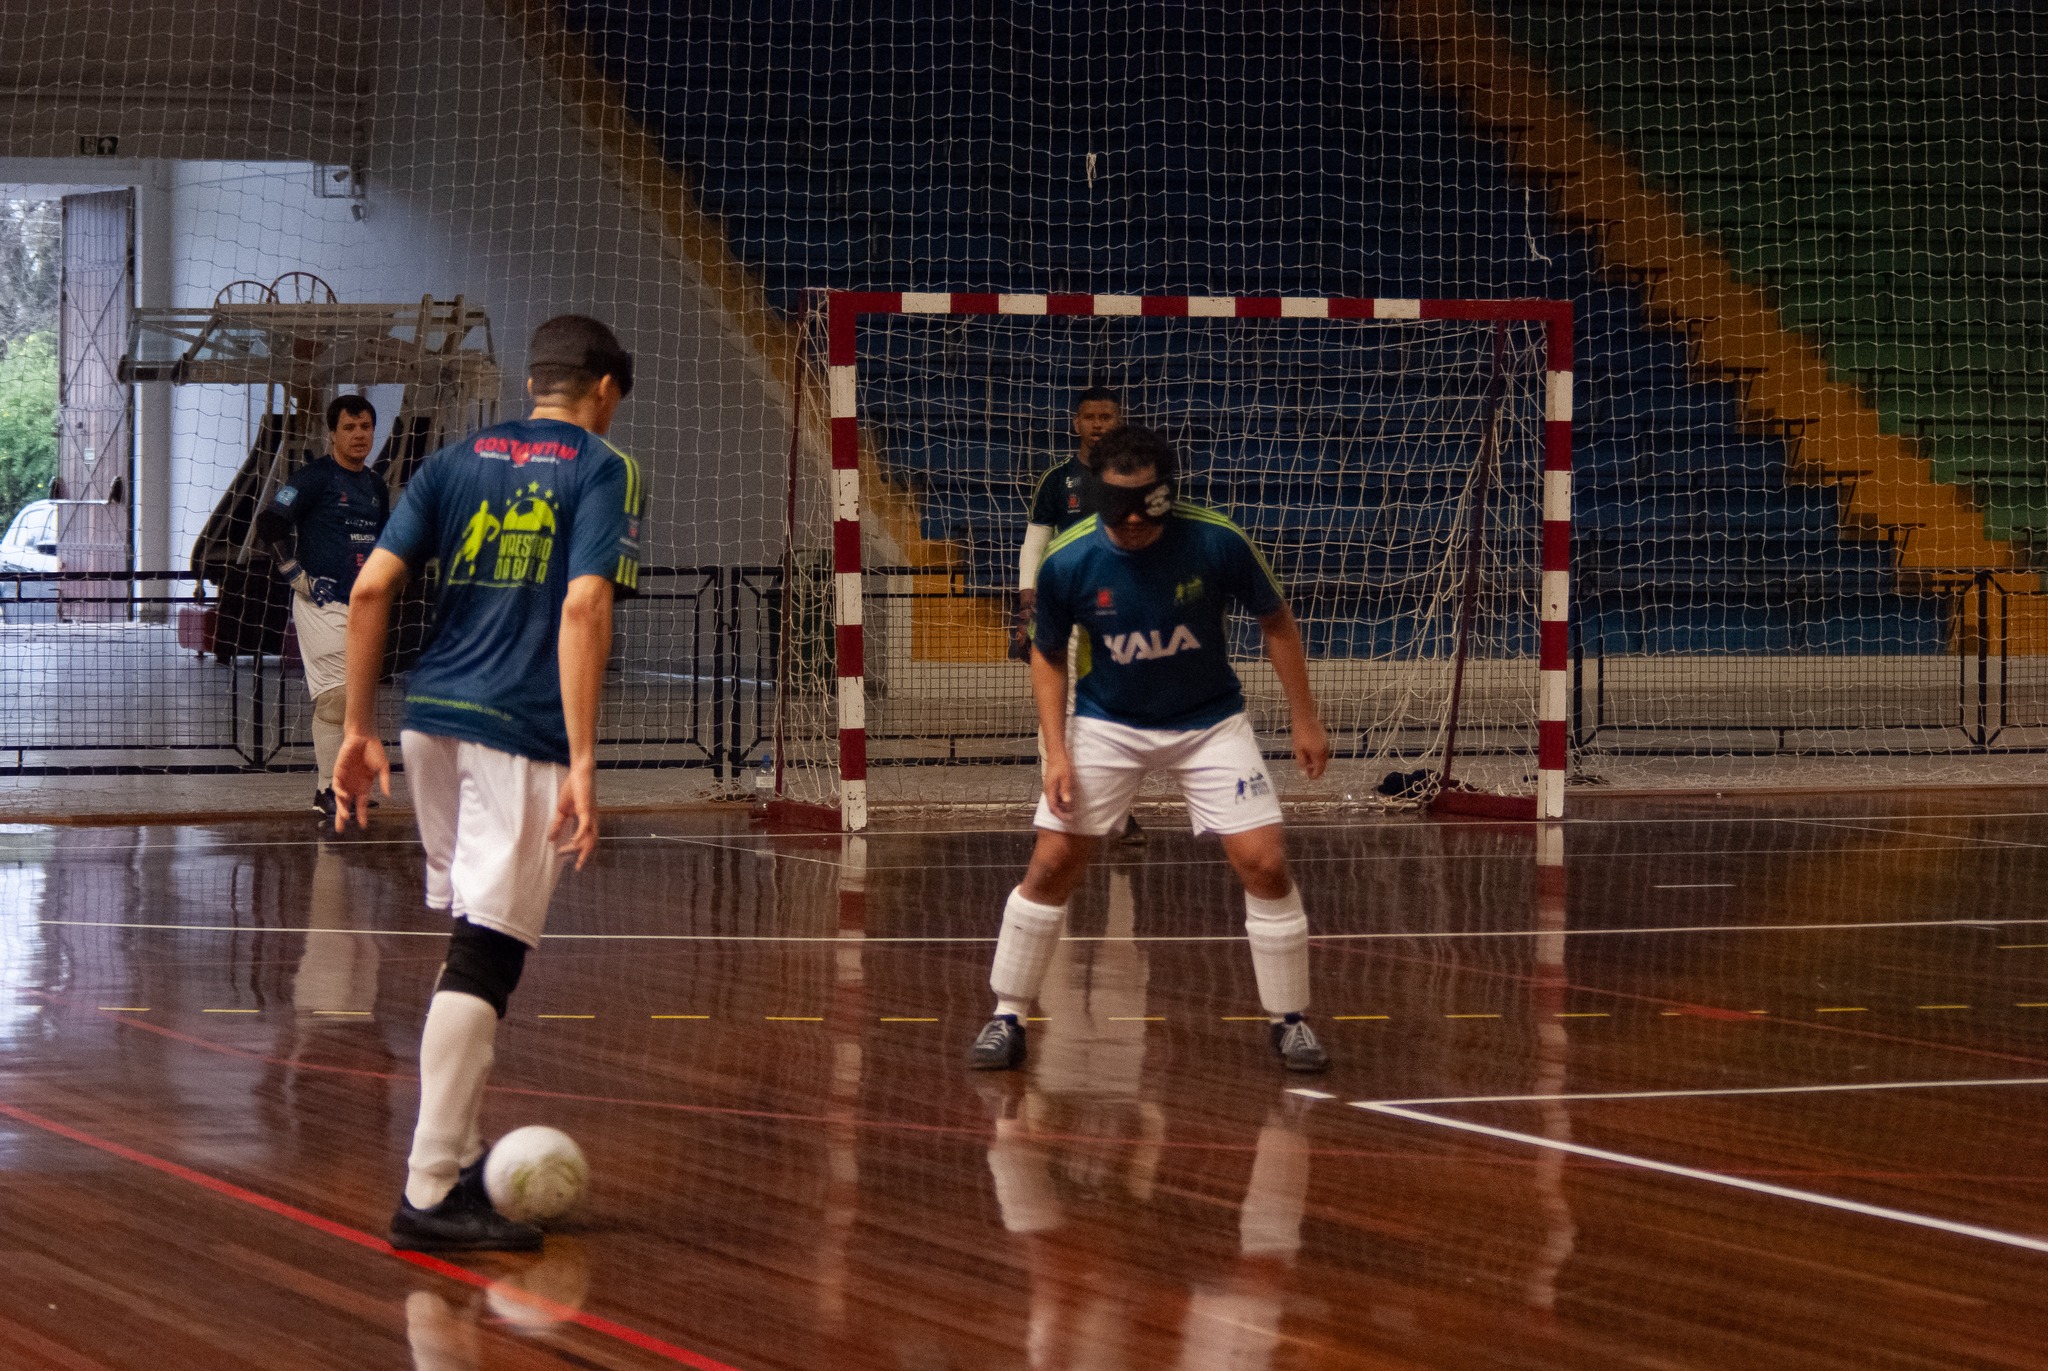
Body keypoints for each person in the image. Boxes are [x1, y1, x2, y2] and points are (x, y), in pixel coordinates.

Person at [332, 314, 644, 1251]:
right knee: (487, 957)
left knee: (469, 942)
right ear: (607, 391)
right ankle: (428, 1193)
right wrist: (585, 761)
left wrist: (356, 728)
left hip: (430, 724)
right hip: (520, 732)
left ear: (533, 381)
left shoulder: (453, 461)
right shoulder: (602, 467)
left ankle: (458, 1154)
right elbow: (586, 601)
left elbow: (369, 590)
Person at [970, 424, 1332, 1074]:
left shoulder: (1216, 539)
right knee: (1053, 862)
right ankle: (1008, 1014)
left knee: (1266, 861)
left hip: (1209, 721)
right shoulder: (1069, 561)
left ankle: (1290, 1019)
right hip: (1109, 724)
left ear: (1165, 496)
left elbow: (1275, 618)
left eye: (1147, 514)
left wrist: (1305, 717)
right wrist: (1056, 750)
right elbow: (1048, 655)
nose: (1135, 527)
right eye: (1123, 517)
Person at [1013, 386, 1145, 845]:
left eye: (1106, 416)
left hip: (1120, 611)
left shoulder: (1134, 476)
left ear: (1119, 420)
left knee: (1121, 707)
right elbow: (1034, 542)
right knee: (1059, 710)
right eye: (1089, 416)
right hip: (1064, 607)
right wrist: (1027, 598)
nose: (1098, 424)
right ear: (1076, 423)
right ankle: (1055, 809)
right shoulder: (1056, 479)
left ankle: (1121, 815)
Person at [254, 395, 388, 821]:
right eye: (349, 428)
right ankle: (328, 789)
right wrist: (296, 574)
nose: (358, 435)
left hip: (364, 605)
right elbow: (269, 523)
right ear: (332, 434)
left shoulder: (376, 485)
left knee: (359, 700)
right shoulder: (313, 478)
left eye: (365, 427)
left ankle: (336, 786)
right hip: (323, 603)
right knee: (336, 699)